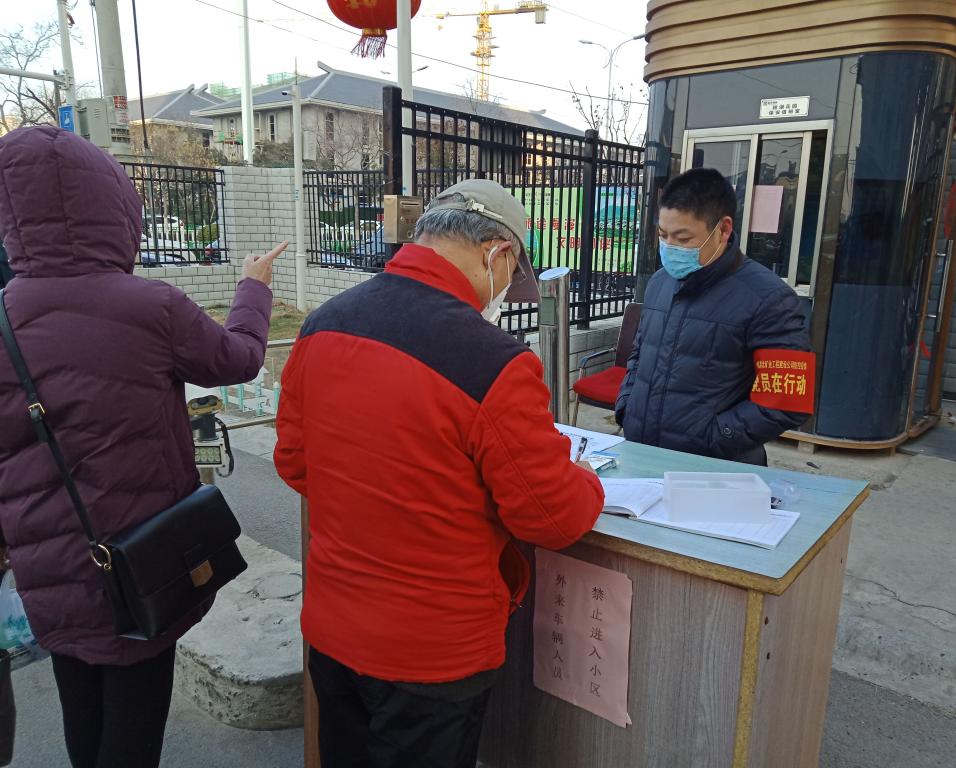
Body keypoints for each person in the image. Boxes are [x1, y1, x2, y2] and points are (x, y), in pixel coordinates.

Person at [275, 178, 604, 768]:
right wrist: (583, 477)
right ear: (496, 253)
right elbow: (553, 517)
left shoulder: (323, 324)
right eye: (511, 275)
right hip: (432, 654)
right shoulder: (493, 362)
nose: (503, 292)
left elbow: (295, 463)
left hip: (333, 629)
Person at [0, 125, 286, 768]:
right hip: (140, 558)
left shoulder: (3, 316)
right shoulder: (149, 305)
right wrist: (254, 286)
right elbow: (239, 360)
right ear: (113, 208)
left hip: (47, 562)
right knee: (134, 723)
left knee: (81, 707)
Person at [616, 168, 812, 466]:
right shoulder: (659, 283)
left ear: (723, 230)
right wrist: (627, 406)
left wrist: (714, 436)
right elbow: (640, 355)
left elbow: (787, 400)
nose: (670, 248)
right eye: (663, 236)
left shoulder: (770, 298)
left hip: (714, 469)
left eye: (683, 238)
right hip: (642, 454)